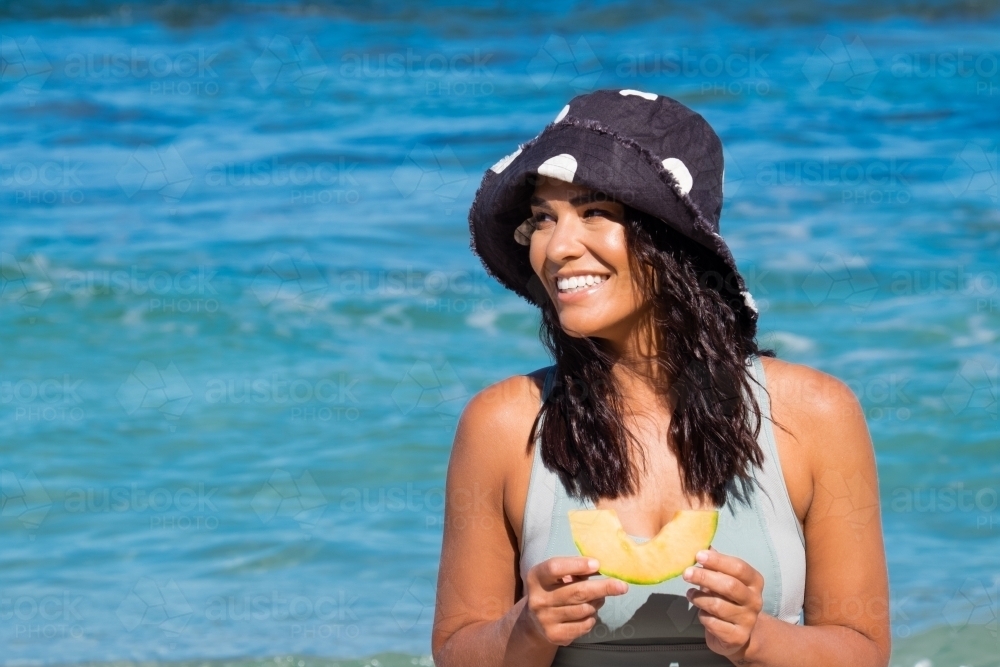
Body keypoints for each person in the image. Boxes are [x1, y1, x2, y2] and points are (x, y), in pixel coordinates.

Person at [432, 89, 890, 667]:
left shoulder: (814, 413)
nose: (558, 247)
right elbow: (456, 651)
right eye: (544, 219)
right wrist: (525, 630)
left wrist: (759, 638)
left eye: (596, 212)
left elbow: (864, 650)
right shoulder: (503, 422)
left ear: (671, 237)